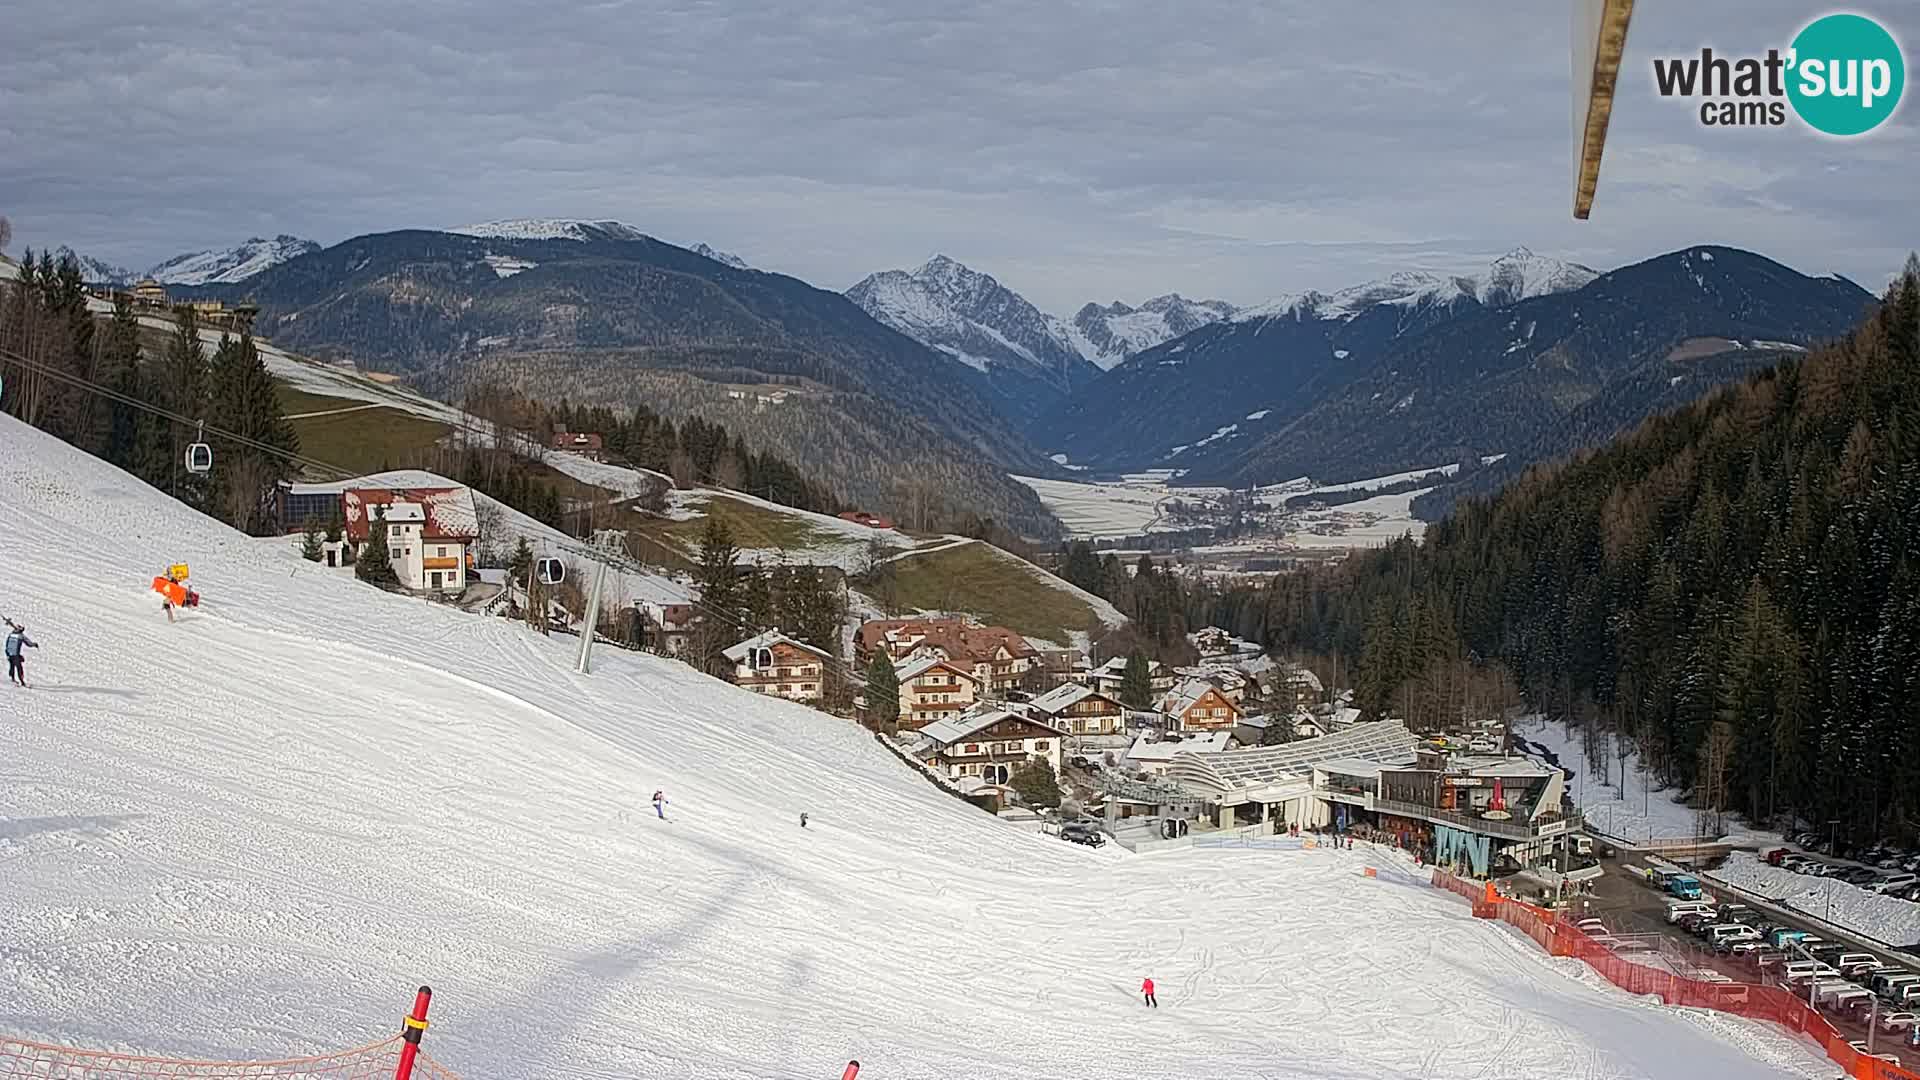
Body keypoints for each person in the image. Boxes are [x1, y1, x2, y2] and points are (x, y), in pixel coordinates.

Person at [5, 619, 38, 687]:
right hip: (16, 654)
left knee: (12, 666)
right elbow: (29, 643)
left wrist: (8, 653)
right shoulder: (21, 636)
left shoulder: (11, 634)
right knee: (19, 668)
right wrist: (34, 644)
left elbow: (7, 643)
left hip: (9, 653)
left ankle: (12, 679)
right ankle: (22, 682)